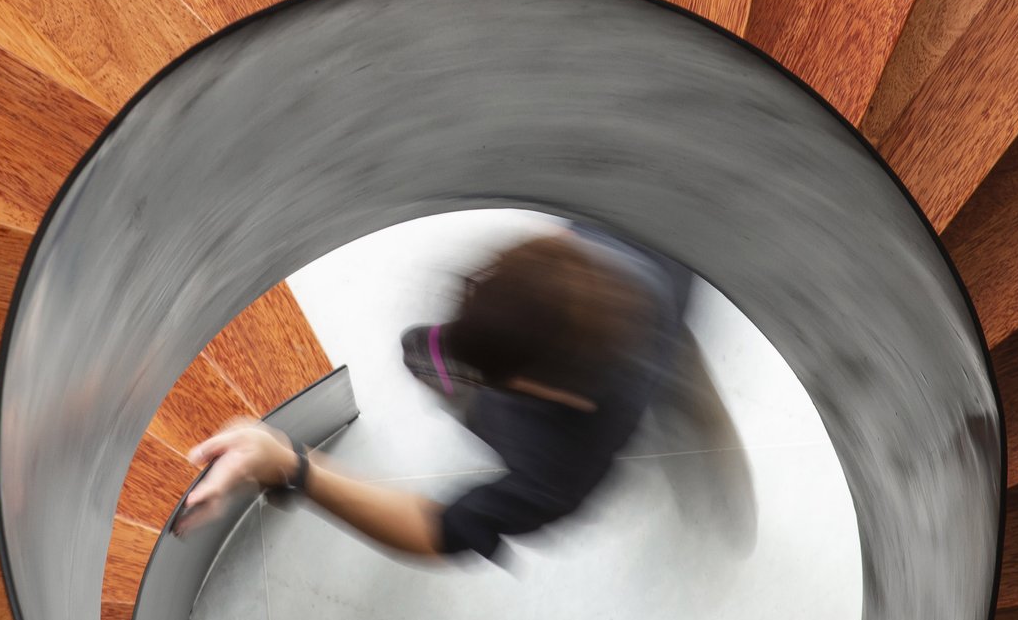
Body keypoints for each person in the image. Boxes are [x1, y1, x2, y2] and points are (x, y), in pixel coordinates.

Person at [178, 226, 695, 562]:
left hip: (590, 392)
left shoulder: (559, 476)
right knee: (424, 352)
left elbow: (438, 531)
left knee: (659, 368)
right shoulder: (627, 249)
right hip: (646, 322)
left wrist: (291, 466)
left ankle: (688, 398)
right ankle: (676, 376)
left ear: (530, 386)